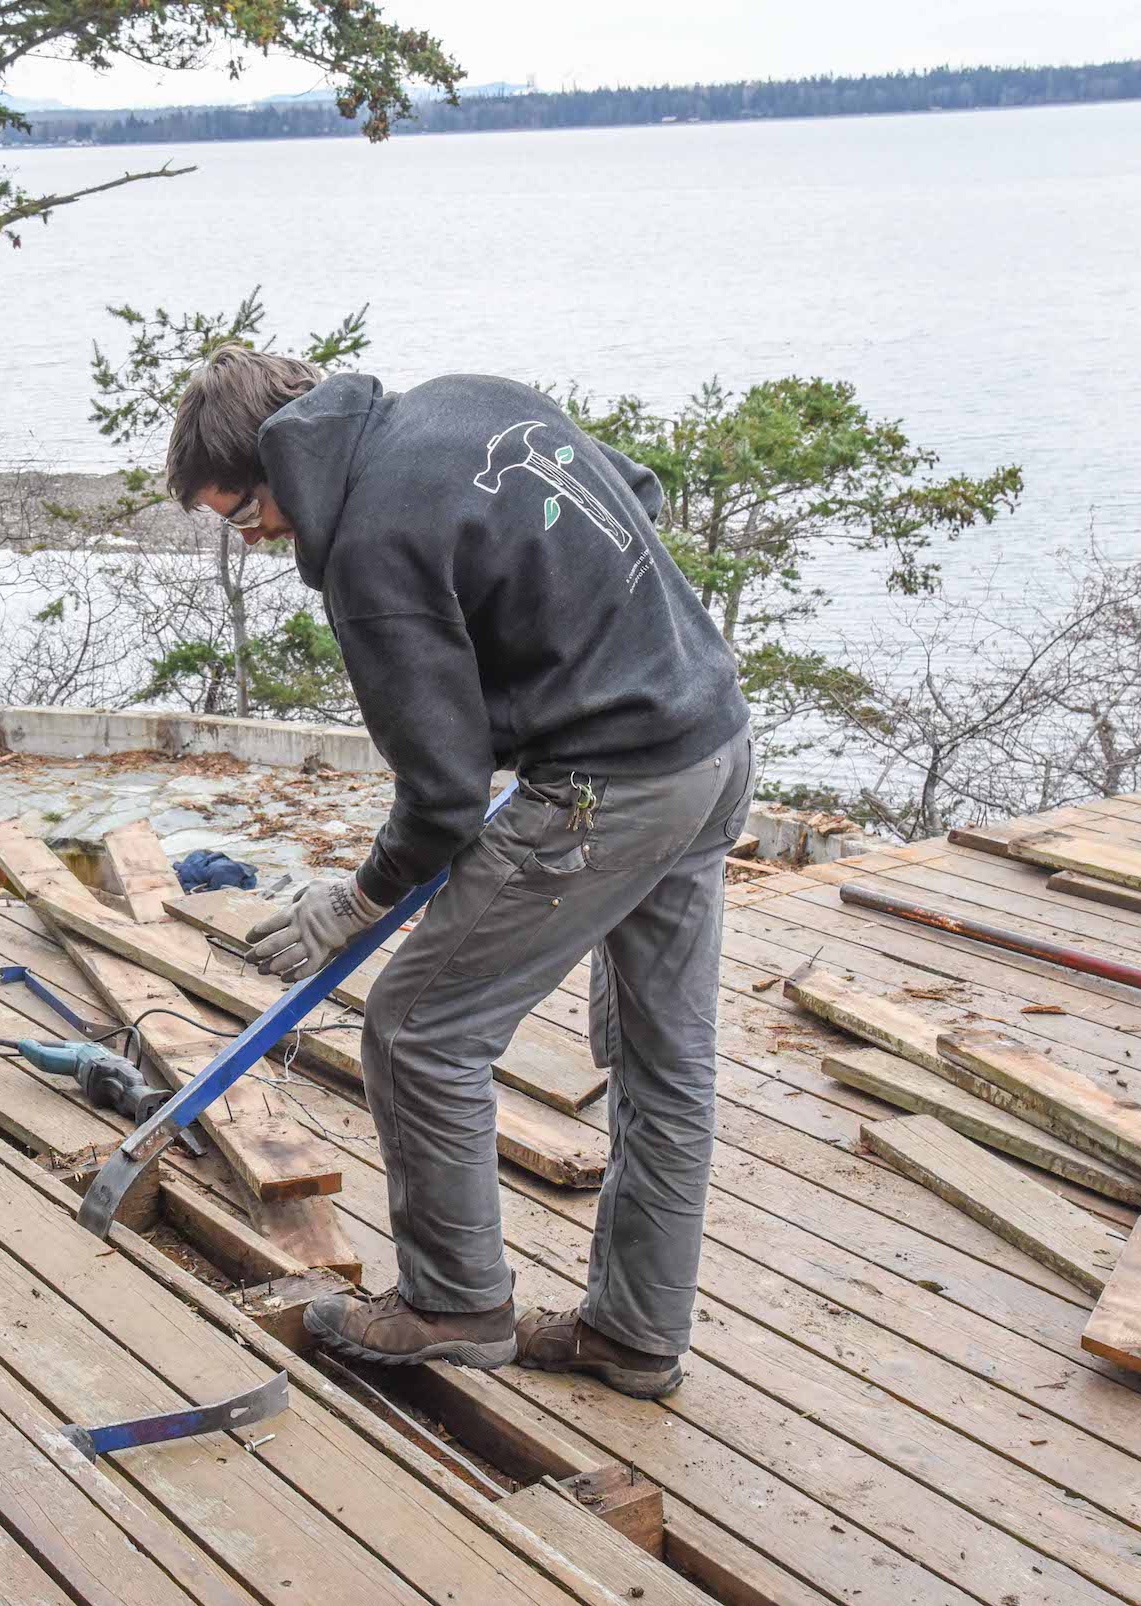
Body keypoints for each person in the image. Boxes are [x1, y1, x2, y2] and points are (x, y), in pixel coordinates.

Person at [165, 348, 752, 1399]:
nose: (252, 538)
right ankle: (635, 1331)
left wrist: (352, 902)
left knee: (422, 1027)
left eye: (243, 510)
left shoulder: (371, 549)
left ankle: (452, 1302)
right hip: (709, 739)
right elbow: (637, 492)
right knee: (667, 1059)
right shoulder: (468, 401)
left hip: (605, 788)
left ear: (275, 459)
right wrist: (564, 653)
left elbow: (440, 798)